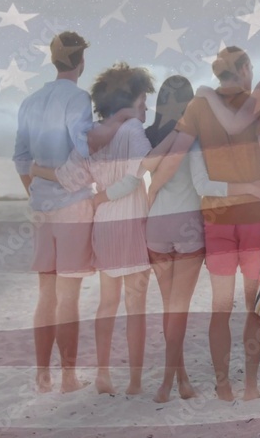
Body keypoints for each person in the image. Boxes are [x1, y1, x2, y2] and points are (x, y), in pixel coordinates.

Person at [150, 47, 260, 401]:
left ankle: (222, 385)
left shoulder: (198, 107)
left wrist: (148, 191)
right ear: (244, 69)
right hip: (255, 219)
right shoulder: (257, 104)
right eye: (250, 67)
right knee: (255, 307)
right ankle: (251, 385)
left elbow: (174, 157)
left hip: (216, 222)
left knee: (221, 308)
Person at [31, 63, 156, 396]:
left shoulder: (93, 136)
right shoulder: (131, 130)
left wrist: (37, 170)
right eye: (144, 99)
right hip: (129, 223)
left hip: (104, 226)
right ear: (132, 98)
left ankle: (103, 374)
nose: (146, 107)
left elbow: (67, 178)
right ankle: (134, 380)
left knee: (107, 303)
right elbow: (137, 174)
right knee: (135, 307)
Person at [143, 75, 260, 403]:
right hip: (188, 228)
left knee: (170, 310)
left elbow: (147, 166)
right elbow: (201, 183)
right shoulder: (195, 138)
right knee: (179, 309)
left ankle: (179, 379)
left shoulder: (151, 135)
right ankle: (170, 382)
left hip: (155, 225)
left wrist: (152, 190)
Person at [12, 31, 94, 394]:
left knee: (46, 294)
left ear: (53, 59)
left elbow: (20, 157)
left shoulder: (30, 101)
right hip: (73, 206)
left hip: (41, 207)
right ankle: (69, 377)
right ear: (81, 62)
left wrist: (36, 193)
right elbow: (83, 152)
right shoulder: (78, 97)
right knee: (69, 296)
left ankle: (42, 375)